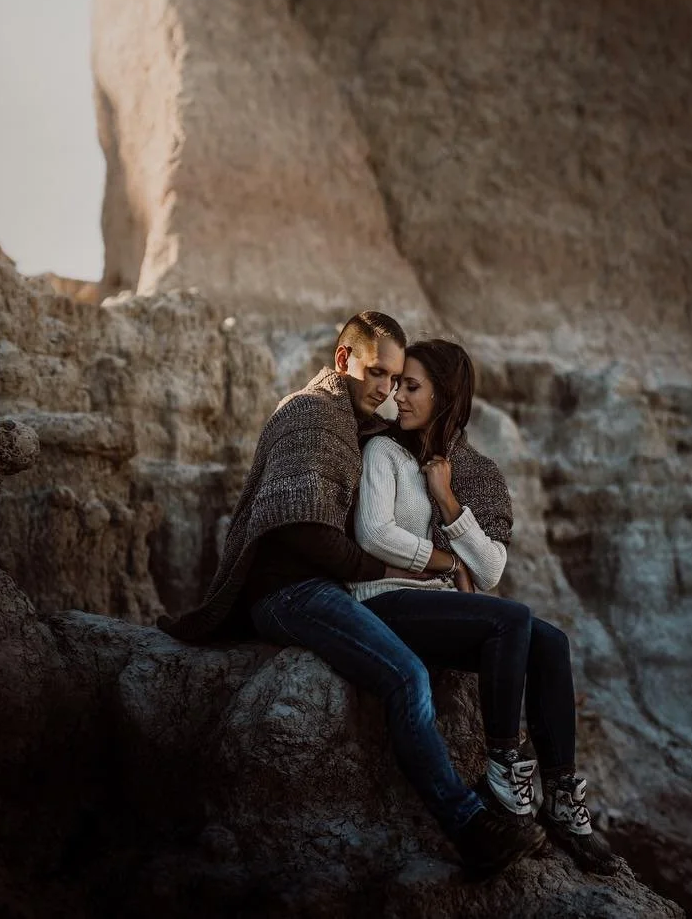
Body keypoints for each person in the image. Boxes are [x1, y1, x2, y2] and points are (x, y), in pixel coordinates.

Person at [158, 311, 544, 876]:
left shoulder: (353, 422)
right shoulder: (312, 414)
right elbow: (308, 534)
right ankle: (468, 826)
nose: (386, 389)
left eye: (396, 379)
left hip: (320, 590)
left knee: (469, 646)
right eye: (379, 373)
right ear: (345, 361)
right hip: (288, 594)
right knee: (405, 675)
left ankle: (541, 792)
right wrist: (413, 568)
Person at [346, 338, 617, 876]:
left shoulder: (455, 471)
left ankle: (562, 799)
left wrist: (447, 499)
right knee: (511, 617)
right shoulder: (382, 451)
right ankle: (502, 773)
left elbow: (490, 571)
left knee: (551, 642)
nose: (398, 395)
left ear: (446, 397)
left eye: (412, 386)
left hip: (435, 608)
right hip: (383, 603)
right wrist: (443, 561)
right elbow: (373, 532)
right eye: (397, 384)